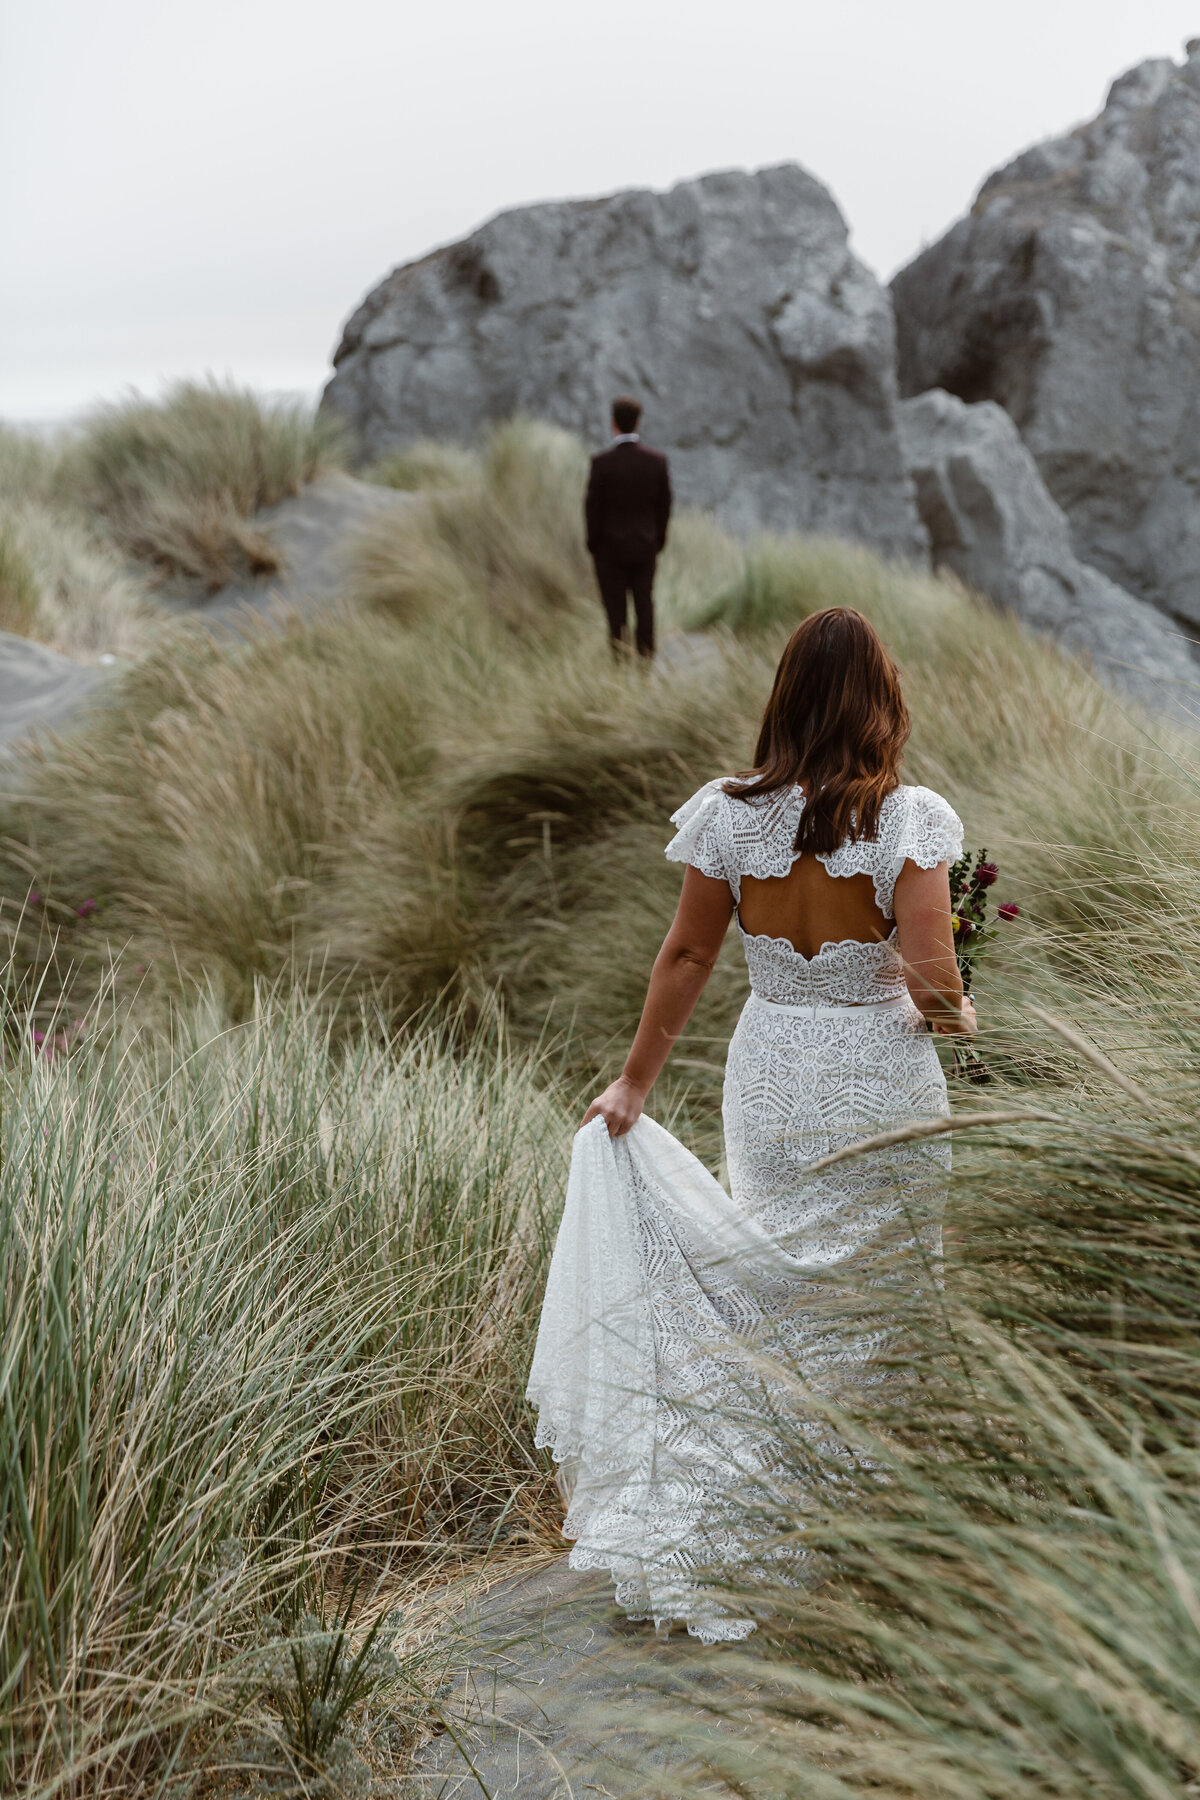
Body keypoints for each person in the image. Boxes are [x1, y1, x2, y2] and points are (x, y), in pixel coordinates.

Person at [527, 607, 977, 1642]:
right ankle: (856, 1515)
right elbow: (934, 986)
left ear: (784, 698)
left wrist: (633, 1088)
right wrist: (961, 1009)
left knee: (775, 1283)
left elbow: (685, 960)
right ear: (882, 702)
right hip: (878, 1075)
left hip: (771, 1071)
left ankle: (757, 1475)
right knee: (882, 1288)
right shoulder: (908, 821)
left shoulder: (727, 818)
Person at [585, 395, 672, 657]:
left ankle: (620, 666)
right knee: (644, 607)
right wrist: (657, 540)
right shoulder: (656, 462)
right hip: (645, 547)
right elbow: (665, 506)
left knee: (616, 612)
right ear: (638, 422)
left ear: (613, 424)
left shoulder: (601, 464)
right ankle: (645, 664)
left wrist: (594, 545)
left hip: (609, 551)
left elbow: (592, 509)